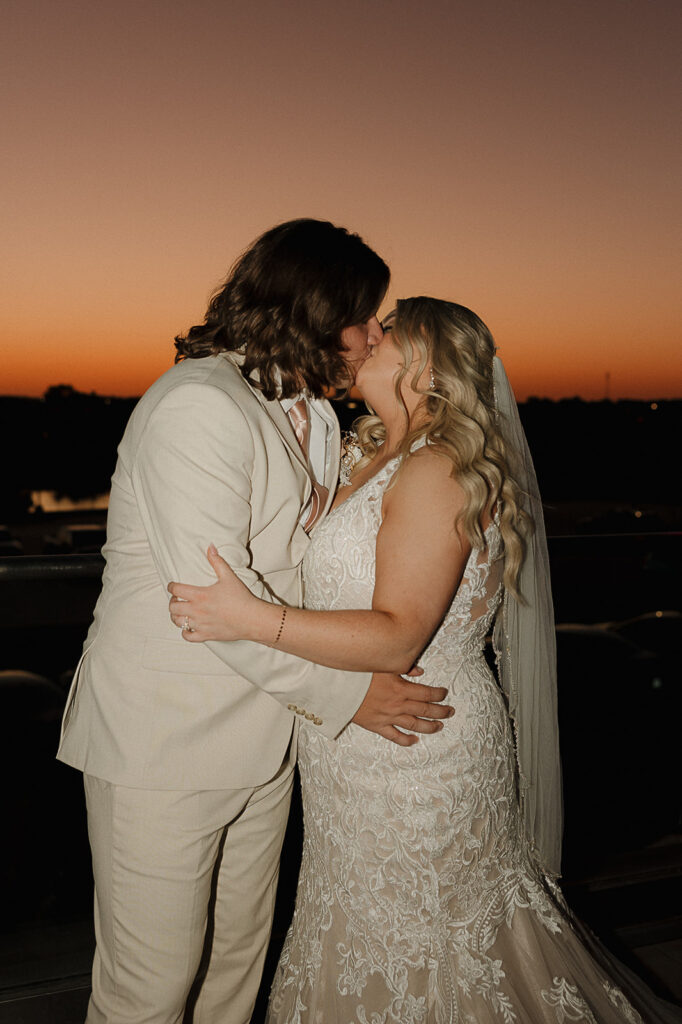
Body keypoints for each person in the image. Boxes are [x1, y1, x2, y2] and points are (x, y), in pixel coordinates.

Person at [169, 297, 681, 1023]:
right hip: (349, 745)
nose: (368, 333)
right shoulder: (360, 451)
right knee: (352, 931)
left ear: (429, 363)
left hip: (419, 748)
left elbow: (400, 634)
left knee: (435, 943)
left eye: (390, 326)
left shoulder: (440, 467)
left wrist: (248, 618)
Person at [57, 224, 453, 1024]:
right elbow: (211, 601)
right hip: (163, 744)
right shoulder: (197, 406)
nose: (378, 334)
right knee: (151, 988)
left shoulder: (311, 410)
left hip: (268, 740)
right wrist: (348, 696)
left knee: (234, 975)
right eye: (365, 317)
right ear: (312, 310)